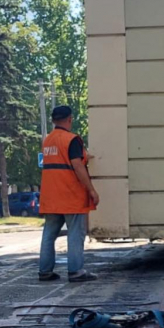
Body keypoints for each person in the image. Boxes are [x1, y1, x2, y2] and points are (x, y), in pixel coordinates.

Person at [38, 105, 100, 283]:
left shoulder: (48, 140)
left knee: (49, 234)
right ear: (70, 119)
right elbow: (78, 166)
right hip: (70, 195)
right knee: (75, 233)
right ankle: (76, 271)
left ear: (53, 120)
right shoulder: (72, 140)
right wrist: (91, 190)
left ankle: (45, 271)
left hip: (51, 196)